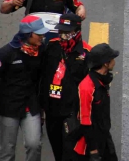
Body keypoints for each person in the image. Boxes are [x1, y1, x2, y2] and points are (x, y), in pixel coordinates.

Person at [0, 15, 48, 161]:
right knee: (8, 151)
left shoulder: (42, 50)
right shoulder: (5, 53)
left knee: (34, 144)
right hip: (8, 108)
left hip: (31, 106)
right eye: (39, 34)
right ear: (28, 34)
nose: (42, 37)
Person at [40, 13, 91, 161]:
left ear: (77, 31)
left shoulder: (86, 53)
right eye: (61, 31)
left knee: (70, 154)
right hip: (52, 110)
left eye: (67, 32)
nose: (63, 36)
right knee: (58, 151)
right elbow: (42, 75)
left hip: (71, 113)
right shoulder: (51, 46)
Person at [72, 43, 119, 161]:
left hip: (104, 136)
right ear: (106, 63)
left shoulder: (103, 80)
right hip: (90, 144)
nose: (114, 61)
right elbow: (85, 121)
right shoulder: (87, 87)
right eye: (112, 59)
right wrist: (93, 150)